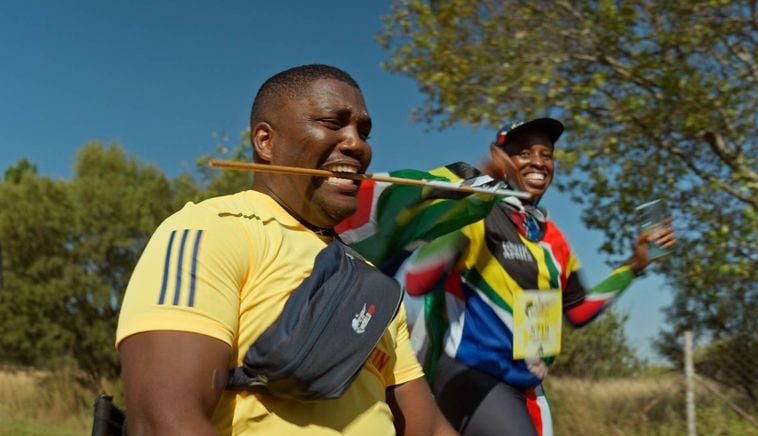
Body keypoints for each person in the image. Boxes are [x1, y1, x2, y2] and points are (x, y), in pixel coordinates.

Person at [116, 64, 456, 436]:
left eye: (363, 131)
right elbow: (161, 421)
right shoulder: (212, 229)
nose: (357, 144)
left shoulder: (371, 282)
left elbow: (428, 427)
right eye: (332, 122)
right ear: (265, 141)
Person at [339, 118, 677, 436]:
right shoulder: (476, 214)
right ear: (502, 160)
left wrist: (634, 264)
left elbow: (579, 311)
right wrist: (457, 224)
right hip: (470, 373)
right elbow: (418, 281)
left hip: (529, 386)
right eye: (524, 153)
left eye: (547, 155)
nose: (538, 162)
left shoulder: (554, 238)